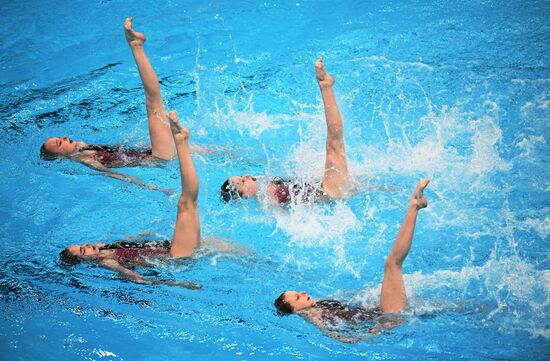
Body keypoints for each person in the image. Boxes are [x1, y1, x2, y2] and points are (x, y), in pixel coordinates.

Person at [41, 18, 201, 191]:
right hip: (158, 157)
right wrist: (155, 188)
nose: (64, 138)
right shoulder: (85, 159)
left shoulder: (80, 147)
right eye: (59, 143)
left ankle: (236, 155)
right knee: (153, 103)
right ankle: (136, 45)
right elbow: (116, 175)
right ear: (60, 157)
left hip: (151, 151)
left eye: (59, 137)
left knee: (216, 153)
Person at [59, 111, 203, 289]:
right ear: (84, 260)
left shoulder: (101, 247)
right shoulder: (108, 263)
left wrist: (140, 235)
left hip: (170, 244)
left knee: (215, 242)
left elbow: (133, 245)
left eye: (83, 245)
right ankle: (182, 143)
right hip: (176, 256)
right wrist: (177, 284)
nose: (87, 245)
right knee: (186, 203)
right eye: (83, 250)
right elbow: (138, 279)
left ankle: (250, 260)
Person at [273, 179, 430, 342]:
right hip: (388, 319)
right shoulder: (314, 317)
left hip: (378, 312)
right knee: (392, 264)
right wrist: (374, 333)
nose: (303, 293)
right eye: (298, 297)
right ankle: (414, 206)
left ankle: (415, 206)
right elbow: (342, 339)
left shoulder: (314, 304)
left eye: (298, 292)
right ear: (296, 311)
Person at [220, 56, 349, 205]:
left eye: (242, 176)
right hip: (332, 192)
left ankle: (326, 86)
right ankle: (325, 86)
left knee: (334, 145)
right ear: (245, 197)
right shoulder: (267, 200)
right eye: (242, 182)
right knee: (333, 143)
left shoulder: (266, 186)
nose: (247, 176)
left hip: (325, 186)